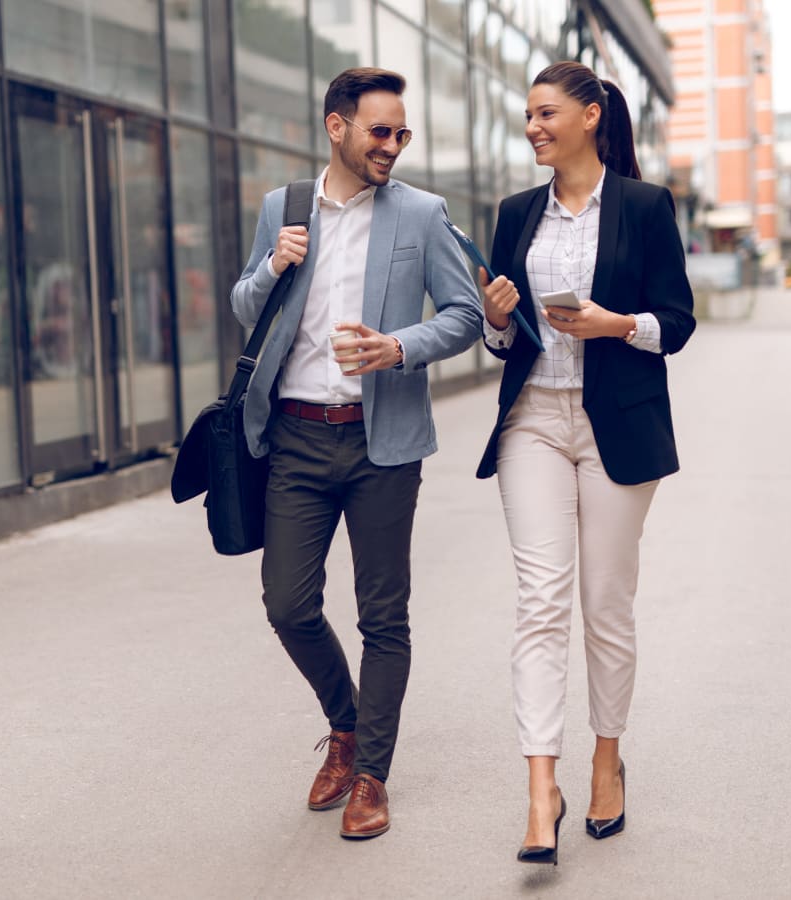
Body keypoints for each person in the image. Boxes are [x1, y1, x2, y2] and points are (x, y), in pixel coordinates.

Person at [231, 67, 482, 840]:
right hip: (297, 438)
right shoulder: (284, 208)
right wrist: (273, 265)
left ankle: (371, 772)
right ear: (337, 127)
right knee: (288, 604)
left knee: (384, 616)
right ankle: (344, 724)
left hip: (383, 444)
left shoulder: (421, 213)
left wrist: (398, 347)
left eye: (402, 133)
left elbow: (466, 313)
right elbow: (246, 307)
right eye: (381, 131)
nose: (394, 146)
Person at [476, 61, 696, 865]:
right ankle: (541, 790)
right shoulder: (514, 213)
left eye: (545, 113)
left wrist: (615, 325)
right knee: (540, 601)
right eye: (527, 116)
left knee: (605, 602)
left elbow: (676, 322)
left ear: (591, 115)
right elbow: (502, 343)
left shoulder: (644, 206)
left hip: (616, 429)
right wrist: (498, 321)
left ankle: (607, 759)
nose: (533, 127)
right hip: (532, 418)